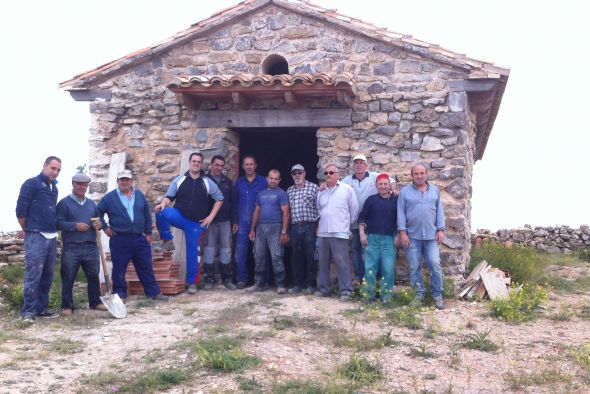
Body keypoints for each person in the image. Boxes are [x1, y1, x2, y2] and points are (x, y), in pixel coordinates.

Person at [155, 152, 224, 294]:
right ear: (189, 162)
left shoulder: (207, 182)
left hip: (196, 223)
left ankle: (192, 283)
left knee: (193, 253)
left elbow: (219, 199)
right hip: (180, 216)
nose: (196, 163)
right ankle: (167, 240)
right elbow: (169, 197)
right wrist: (163, 203)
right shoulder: (179, 180)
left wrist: (210, 217)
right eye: (194, 161)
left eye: (199, 162)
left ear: (201, 164)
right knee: (160, 212)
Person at [97, 169, 167, 302]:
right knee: (119, 269)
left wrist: (148, 233)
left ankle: (153, 292)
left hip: (140, 238)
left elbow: (147, 214)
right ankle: (120, 295)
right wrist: (105, 227)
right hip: (120, 239)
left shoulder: (139, 195)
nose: (124, 182)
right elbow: (97, 212)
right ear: (118, 181)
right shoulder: (109, 198)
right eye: (122, 179)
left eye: (127, 179)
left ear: (131, 181)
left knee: (146, 267)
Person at [15, 156, 62, 321]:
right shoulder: (31, 183)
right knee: (33, 274)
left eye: (58, 170)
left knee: (48, 275)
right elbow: (20, 211)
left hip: (51, 235)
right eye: (53, 168)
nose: (55, 172)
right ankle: (28, 311)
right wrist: (28, 229)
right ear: (44, 166)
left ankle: (41, 309)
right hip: (36, 236)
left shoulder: (54, 189)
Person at [342, 154, 397, 287]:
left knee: (374, 252)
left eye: (362, 163)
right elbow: (336, 187)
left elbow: (391, 181)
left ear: (366, 165)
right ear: (353, 166)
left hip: (372, 221)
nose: (359, 165)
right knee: (355, 249)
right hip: (355, 220)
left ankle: (377, 278)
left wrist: (394, 189)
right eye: (356, 163)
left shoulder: (374, 176)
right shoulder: (347, 180)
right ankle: (360, 276)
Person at [57, 173, 108, 314]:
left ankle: (95, 302)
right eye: (79, 184)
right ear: (73, 183)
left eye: (84, 185)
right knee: (68, 277)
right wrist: (75, 226)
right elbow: (57, 223)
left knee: (93, 276)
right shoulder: (63, 203)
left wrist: (99, 223)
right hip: (71, 247)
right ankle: (67, 306)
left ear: (87, 186)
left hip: (91, 245)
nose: (81, 187)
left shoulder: (92, 204)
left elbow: (100, 221)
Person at [397, 164, 446, 310]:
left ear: (426, 174)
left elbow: (439, 212)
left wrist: (441, 230)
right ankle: (418, 295)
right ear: (412, 176)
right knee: (414, 267)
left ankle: (437, 296)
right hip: (412, 237)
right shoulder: (405, 192)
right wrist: (402, 233)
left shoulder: (435, 191)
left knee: (435, 265)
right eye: (416, 174)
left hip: (431, 236)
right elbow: (400, 213)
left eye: (422, 173)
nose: (419, 176)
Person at [316, 164, 359, 301]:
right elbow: (319, 210)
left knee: (342, 262)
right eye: (326, 173)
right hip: (323, 232)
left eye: (331, 172)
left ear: (338, 174)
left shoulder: (347, 190)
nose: (328, 175)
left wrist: (345, 225)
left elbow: (354, 210)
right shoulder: (321, 192)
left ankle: (346, 290)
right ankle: (324, 289)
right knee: (323, 262)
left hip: (340, 231)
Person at [246, 169, 290, 294]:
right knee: (258, 255)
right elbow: (256, 212)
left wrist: (284, 232)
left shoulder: (282, 194)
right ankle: (259, 283)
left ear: (279, 180)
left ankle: (280, 284)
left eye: (276, 179)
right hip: (260, 227)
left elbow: (286, 213)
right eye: (271, 178)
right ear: (267, 179)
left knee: (276, 256)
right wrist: (252, 229)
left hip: (275, 227)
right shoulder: (261, 194)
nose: (273, 181)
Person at [358, 173, 398, 304]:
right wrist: (362, 233)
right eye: (380, 184)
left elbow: (401, 219)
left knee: (388, 267)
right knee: (370, 267)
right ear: (376, 186)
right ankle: (368, 295)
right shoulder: (371, 200)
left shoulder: (395, 200)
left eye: (385, 184)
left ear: (389, 185)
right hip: (372, 238)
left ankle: (386, 297)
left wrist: (398, 235)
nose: (383, 186)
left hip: (389, 238)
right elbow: (362, 217)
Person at [232, 155, 267, 288]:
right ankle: (242, 279)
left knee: (260, 253)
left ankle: (262, 280)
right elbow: (234, 203)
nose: (249, 166)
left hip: (259, 223)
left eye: (251, 164)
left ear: (255, 166)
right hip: (242, 223)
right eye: (246, 164)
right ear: (242, 166)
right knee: (240, 253)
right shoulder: (238, 183)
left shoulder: (264, 182)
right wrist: (235, 221)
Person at [202, 155, 235, 290]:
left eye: (221, 166)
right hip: (209, 221)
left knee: (226, 250)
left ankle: (226, 279)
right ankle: (209, 279)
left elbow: (233, 203)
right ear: (211, 165)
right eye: (216, 165)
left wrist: (235, 220)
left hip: (225, 220)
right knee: (209, 250)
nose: (219, 168)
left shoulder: (227, 182)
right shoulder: (204, 180)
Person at [286, 164, 319, 294]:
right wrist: (286, 230)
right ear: (292, 175)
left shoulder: (313, 188)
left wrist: (318, 227)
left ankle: (311, 284)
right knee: (296, 257)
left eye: (300, 172)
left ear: (304, 173)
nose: (297, 175)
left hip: (310, 226)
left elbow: (320, 208)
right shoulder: (289, 190)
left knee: (311, 256)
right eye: (295, 173)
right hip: (295, 227)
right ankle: (298, 284)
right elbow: (288, 211)